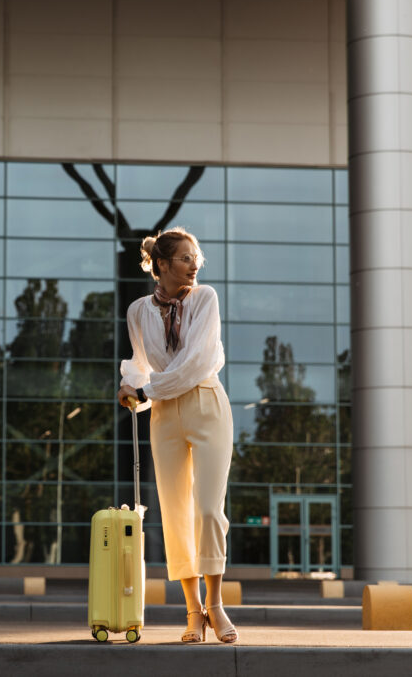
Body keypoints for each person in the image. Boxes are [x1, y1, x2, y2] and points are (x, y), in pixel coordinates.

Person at [117, 227, 238, 644]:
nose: (194, 264)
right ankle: (192, 613)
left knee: (207, 509)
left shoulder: (205, 299)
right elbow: (138, 364)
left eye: (196, 257)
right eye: (185, 258)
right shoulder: (137, 311)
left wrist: (146, 389)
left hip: (206, 404)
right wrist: (130, 387)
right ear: (162, 265)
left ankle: (216, 604)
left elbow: (194, 362)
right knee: (174, 513)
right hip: (165, 415)